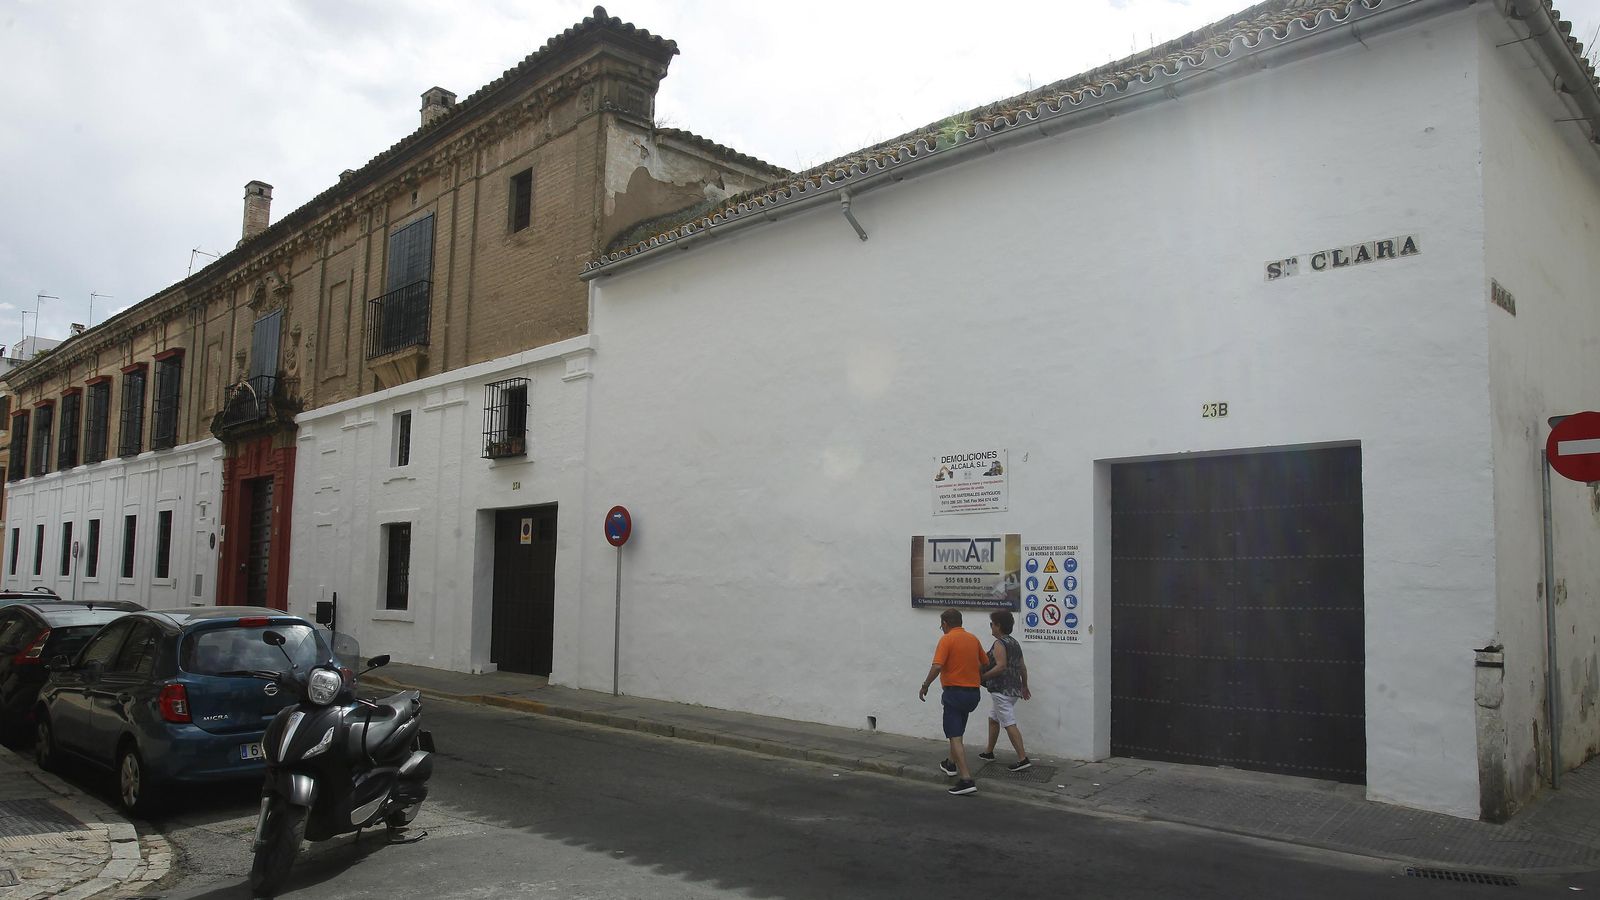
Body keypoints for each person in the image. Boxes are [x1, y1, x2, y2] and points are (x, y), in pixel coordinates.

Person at [919, 608, 987, 796]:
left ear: (946, 624)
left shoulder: (947, 639)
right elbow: (984, 662)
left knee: (954, 735)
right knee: (957, 730)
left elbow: (938, 666)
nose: (941, 628)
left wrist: (925, 685)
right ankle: (950, 764)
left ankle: (966, 779)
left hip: (954, 693)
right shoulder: (973, 639)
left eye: (941, 625)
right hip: (973, 694)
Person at [978, 610, 1031, 771]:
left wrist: (983, 677)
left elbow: (1000, 666)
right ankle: (989, 752)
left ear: (998, 625)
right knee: (993, 718)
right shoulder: (1014, 643)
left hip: (1001, 689)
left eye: (992, 624)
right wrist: (1024, 685)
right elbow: (1022, 667)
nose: (991, 627)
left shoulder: (1000, 643)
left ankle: (1023, 759)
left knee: (1008, 722)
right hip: (1013, 689)